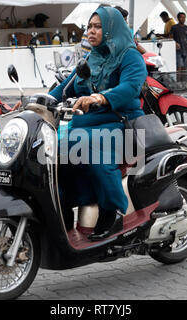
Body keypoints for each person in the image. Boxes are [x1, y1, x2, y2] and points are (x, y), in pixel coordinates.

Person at [49, 7, 147, 240]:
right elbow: (65, 87)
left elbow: (130, 87)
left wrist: (99, 97)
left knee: (91, 145)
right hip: (89, 123)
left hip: (122, 122)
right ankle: (65, 205)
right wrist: (35, 102)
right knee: (56, 149)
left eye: (97, 26)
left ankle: (111, 211)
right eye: (89, 27)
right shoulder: (90, 58)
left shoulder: (129, 55)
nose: (91, 32)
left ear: (112, 29)